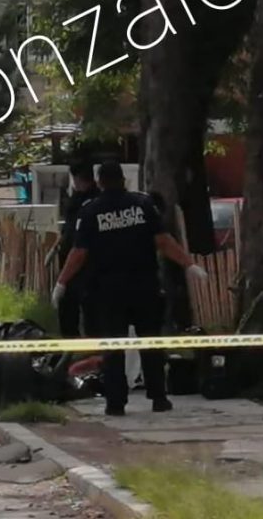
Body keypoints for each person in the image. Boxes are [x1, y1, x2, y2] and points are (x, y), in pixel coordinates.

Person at [51, 162, 207, 416]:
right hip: (144, 286)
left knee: (114, 348)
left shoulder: (91, 211)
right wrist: (188, 264)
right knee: (151, 343)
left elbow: (79, 253)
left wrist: (62, 282)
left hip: (108, 291)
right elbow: (163, 241)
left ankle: (115, 402)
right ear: (124, 180)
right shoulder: (142, 205)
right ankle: (158, 397)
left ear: (100, 182)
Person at [55, 162, 99, 338]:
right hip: (75, 264)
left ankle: (89, 353)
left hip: (84, 266)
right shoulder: (78, 200)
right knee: (70, 312)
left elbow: (80, 245)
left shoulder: (90, 203)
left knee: (88, 314)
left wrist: (62, 281)